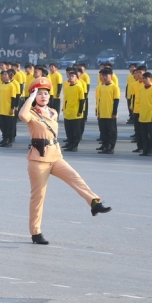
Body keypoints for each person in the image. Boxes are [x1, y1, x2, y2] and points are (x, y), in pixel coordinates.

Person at [19, 77, 111, 245]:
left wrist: (38, 98)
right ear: (33, 96)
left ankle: (94, 203)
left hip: (55, 156)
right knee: (38, 197)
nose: (43, 96)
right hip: (38, 160)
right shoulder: (31, 113)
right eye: (39, 93)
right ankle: (36, 233)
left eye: (45, 93)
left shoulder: (53, 112)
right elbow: (22, 115)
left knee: (76, 178)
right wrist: (30, 98)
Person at [95, 68, 120, 154]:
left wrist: (114, 113)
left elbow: (116, 101)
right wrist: (98, 112)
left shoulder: (114, 87)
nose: (104, 77)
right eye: (103, 76)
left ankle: (111, 147)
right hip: (102, 114)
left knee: (112, 131)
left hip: (110, 114)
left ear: (111, 76)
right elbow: (99, 101)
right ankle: (105, 146)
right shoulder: (101, 87)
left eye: (106, 75)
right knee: (104, 131)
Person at [61, 67, 86, 152]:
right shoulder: (67, 88)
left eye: (72, 76)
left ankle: (75, 145)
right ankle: (70, 144)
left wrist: (80, 111)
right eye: (69, 76)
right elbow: (66, 100)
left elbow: (82, 100)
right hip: (68, 112)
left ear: (76, 78)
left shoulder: (79, 87)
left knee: (76, 131)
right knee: (69, 130)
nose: (70, 78)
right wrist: (64, 109)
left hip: (76, 113)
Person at [0, 69, 20, 147]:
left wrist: (12, 108)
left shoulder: (12, 86)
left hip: (8, 109)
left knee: (9, 126)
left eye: (6, 74)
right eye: (3, 75)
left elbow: (13, 98)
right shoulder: (0, 86)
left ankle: (9, 141)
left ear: (9, 76)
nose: (4, 76)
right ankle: (4, 139)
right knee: (2, 126)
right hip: (2, 109)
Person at [135, 71, 152, 157]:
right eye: (143, 78)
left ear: (150, 79)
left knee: (151, 135)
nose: (143, 80)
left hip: (150, 116)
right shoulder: (141, 89)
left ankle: (151, 150)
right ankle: (145, 150)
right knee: (143, 135)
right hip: (142, 116)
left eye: (145, 78)